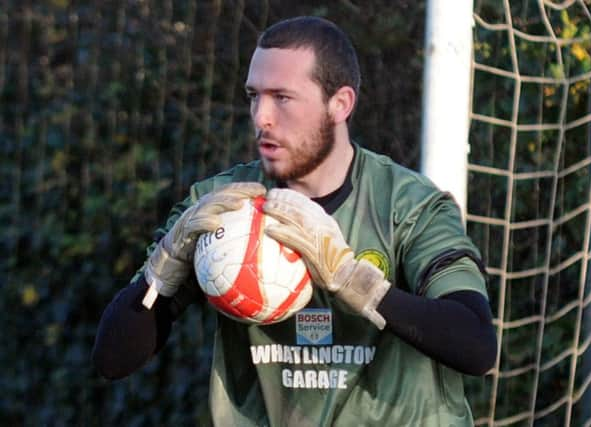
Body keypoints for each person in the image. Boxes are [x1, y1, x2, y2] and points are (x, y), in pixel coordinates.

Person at [93, 16, 497, 426]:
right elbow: (113, 358)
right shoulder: (219, 207)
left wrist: (355, 281)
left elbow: (476, 345)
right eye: (254, 95)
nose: (261, 117)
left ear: (340, 104)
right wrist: (165, 264)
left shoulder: (409, 206)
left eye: (282, 98)